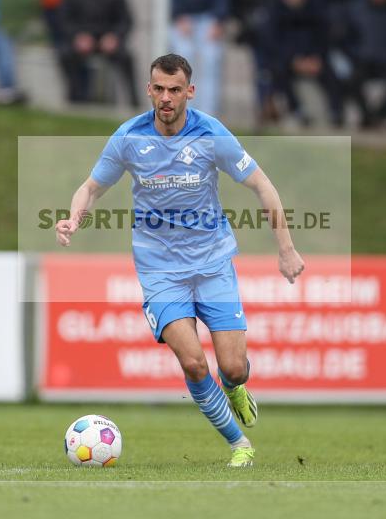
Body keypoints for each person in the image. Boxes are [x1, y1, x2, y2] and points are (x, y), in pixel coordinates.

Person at [55, 53, 305, 468]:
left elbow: (262, 185)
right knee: (192, 363)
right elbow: (91, 187)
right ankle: (239, 444)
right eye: (159, 89)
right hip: (160, 272)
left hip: (213, 265)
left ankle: (236, 385)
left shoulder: (211, 134)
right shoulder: (129, 137)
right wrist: (72, 217)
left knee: (234, 368)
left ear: (189, 91)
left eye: (175, 90)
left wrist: (287, 247)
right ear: (148, 90)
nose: (166, 98)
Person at [57, 0, 138, 106]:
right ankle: (76, 99)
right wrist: (77, 37)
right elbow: (64, 20)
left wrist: (115, 37)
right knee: (65, 55)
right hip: (82, 39)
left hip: (107, 40)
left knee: (127, 58)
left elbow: (126, 20)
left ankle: (134, 102)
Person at [230, 0, 290, 125]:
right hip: (253, 34)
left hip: (279, 32)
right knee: (263, 60)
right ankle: (266, 102)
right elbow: (236, 7)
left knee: (269, 61)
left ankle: (269, 101)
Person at [266, 0, 343, 127]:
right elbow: (273, 42)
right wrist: (293, 60)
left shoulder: (316, 12)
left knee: (333, 74)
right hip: (288, 60)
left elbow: (324, 39)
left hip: (315, 59)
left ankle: (336, 112)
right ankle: (296, 110)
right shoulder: (275, 13)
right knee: (278, 71)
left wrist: (317, 58)